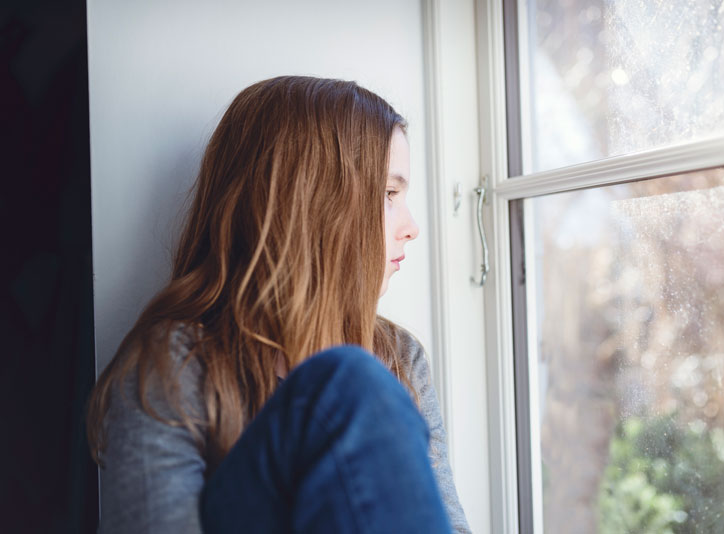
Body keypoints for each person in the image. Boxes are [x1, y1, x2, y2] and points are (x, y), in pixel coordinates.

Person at [86, 76, 471, 533]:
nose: (411, 227)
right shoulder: (176, 364)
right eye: (389, 195)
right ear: (310, 202)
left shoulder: (399, 356)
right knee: (348, 380)